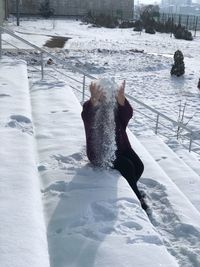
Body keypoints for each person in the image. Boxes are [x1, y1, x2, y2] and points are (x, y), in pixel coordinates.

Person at [81, 78, 148, 211]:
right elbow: (87, 117)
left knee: (139, 166)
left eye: (110, 93)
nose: (107, 96)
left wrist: (122, 100)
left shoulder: (115, 107)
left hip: (122, 147)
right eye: (103, 93)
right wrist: (93, 101)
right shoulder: (91, 108)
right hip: (101, 152)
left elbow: (127, 115)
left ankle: (131, 185)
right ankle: (137, 197)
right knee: (127, 167)